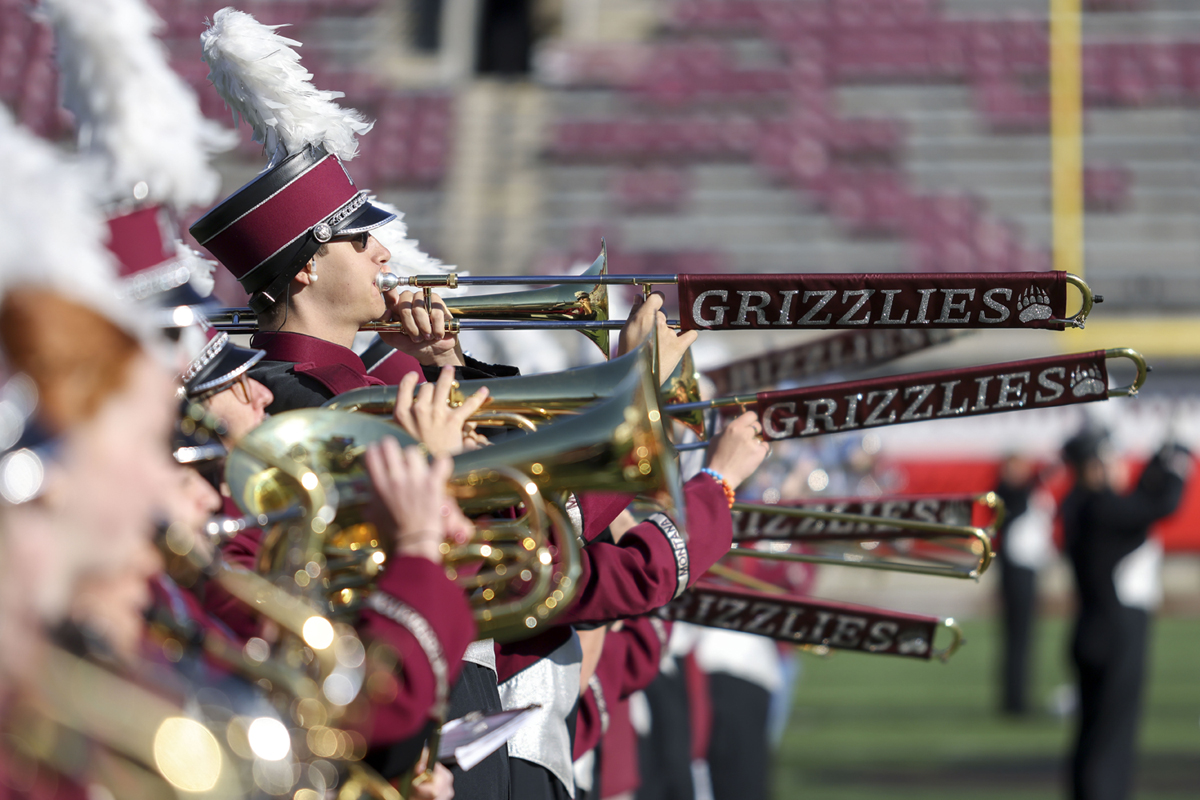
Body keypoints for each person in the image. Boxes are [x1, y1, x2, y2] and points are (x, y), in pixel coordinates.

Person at [1060, 428, 1192, 800]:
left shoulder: (1081, 503)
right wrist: (1178, 463)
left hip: (1092, 630)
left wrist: (1157, 460)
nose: (1118, 467)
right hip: (1115, 635)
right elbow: (1162, 505)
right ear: (1093, 466)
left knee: (1094, 737)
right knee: (1111, 743)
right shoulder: (1101, 508)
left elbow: (1138, 499)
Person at [993, 453, 1054, 715]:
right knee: (1017, 637)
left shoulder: (1020, 491)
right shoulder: (1005, 492)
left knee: (1023, 637)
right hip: (1015, 572)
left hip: (1026, 570)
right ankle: (1014, 701)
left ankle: (1017, 698)